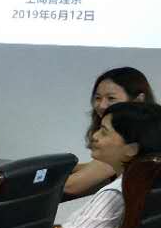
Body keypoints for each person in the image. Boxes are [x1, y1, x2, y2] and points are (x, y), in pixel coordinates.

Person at [34, 102, 161, 228]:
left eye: (104, 131)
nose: (94, 136)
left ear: (131, 149)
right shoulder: (143, 186)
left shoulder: (114, 194)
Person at [66, 67, 154, 197]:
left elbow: (72, 185)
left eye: (111, 98)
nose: (102, 105)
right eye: (98, 98)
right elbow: (98, 168)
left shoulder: (128, 138)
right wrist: (60, 168)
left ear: (138, 100)